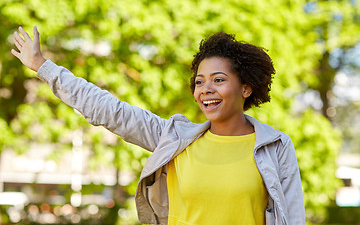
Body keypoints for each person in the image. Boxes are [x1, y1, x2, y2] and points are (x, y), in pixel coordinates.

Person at [11, 26, 305, 225]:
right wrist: (43, 66)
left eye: (219, 80)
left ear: (246, 88)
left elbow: (291, 216)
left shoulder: (275, 146)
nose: (206, 89)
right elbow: (110, 110)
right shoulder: (175, 140)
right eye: (199, 82)